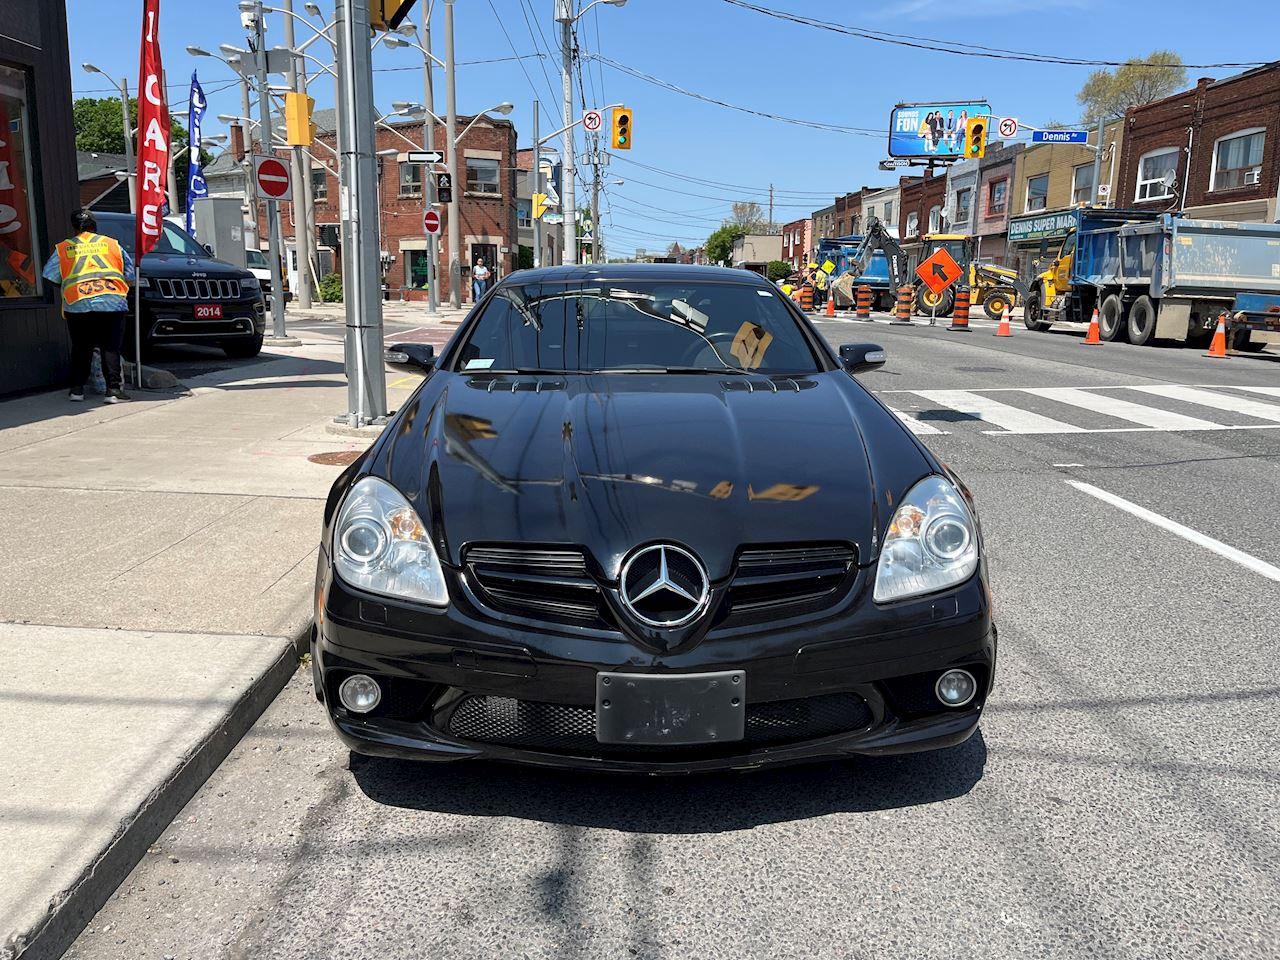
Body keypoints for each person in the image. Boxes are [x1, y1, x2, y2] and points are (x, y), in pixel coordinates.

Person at [42, 209, 135, 403]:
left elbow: (49, 275)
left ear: (75, 228)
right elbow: (130, 276)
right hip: (112, 302)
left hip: (77, 303)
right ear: (95, 226)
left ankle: (77, 390)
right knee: (111, 347)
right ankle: (113, 391)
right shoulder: (112, 245)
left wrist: (71, 285)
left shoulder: (64, 248)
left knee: (81, 347)